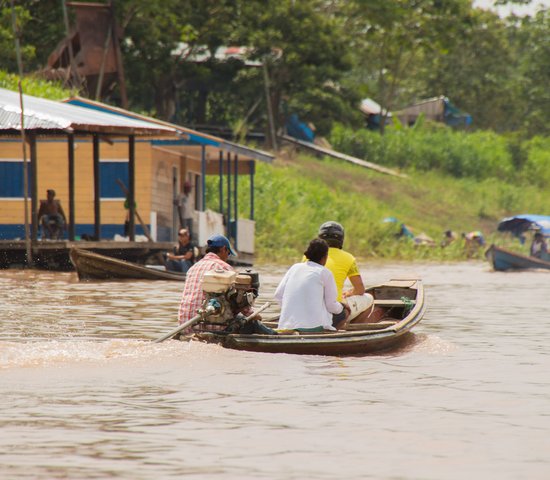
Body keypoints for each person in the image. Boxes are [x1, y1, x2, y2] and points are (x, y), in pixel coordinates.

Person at [275, 238, 349, 332]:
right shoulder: (325, 273)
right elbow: (331, 306)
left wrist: (291, 310)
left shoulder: (294, 268)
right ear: (325, 257)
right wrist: (343, 307)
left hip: (285, 326)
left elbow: (278, 295)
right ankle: (328, 337)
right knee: (345, 312)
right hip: (313, 328)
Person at [317, 221, 374, 323]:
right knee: (369, 298)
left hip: (312, 308)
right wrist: (349, 293)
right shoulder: (348, 258)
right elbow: (360, 289)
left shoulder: (308, 256)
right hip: (334, 310)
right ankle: (353, 326)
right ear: (341, 239)